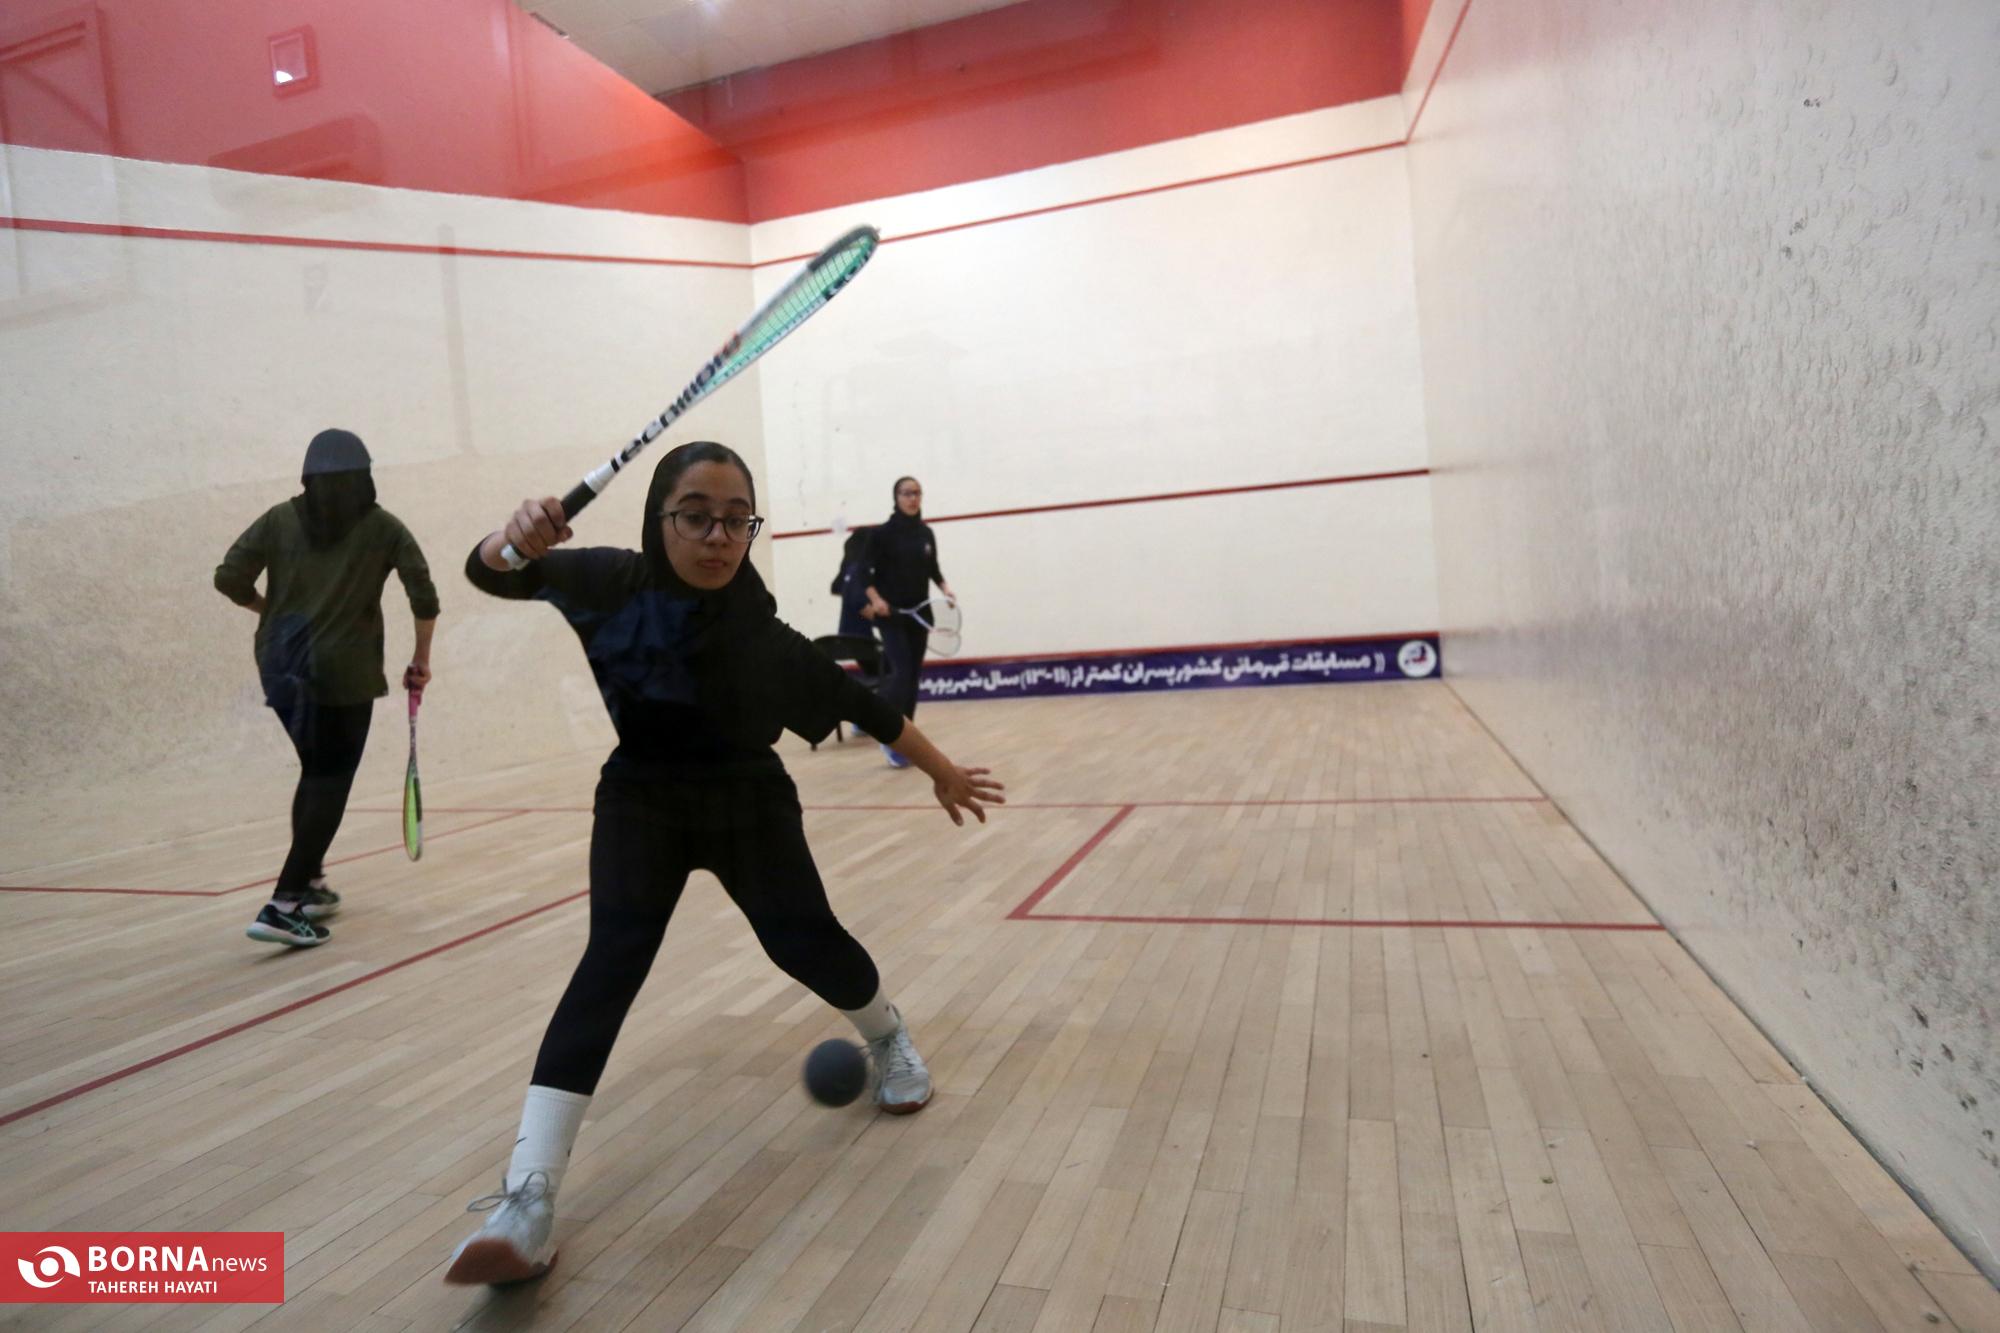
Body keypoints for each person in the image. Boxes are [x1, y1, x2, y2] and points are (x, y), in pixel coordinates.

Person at [444, 441, 1003, 1287]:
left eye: (737, 520)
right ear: (660, 517)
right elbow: (491, 573)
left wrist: (945, 771)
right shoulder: (608, 581)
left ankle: (889, 1036)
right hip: (641, 798)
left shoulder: (765, 637)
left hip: (747, 799)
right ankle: (527, 1199)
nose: (717, 536)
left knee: (804, 942)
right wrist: (513, 536)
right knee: (609, 964)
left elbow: (865, 706)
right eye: (696, 516)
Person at [214, 428, 437, 948]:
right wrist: (421, 659)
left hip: (279, 662)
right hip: (344, 671)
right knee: (330, 780)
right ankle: (284, 903)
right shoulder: (384, 527)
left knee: (317, 771)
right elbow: (424, 595)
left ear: (307, 477)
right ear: (366, 477)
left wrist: (267, 610)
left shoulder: (278, 519)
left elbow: (228, 577)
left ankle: (310, 883)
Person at [862, 476, 953, 768]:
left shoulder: (926, 534)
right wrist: (876, 599)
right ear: (896, 497)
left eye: (917, 493)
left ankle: (906, 738)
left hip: (919, 615)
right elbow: (864, 573)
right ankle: (888, 735)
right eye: (906, 493)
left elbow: (933, 569)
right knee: (901, 673)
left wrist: (945, 589)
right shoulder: (881, 534)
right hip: (891, 616)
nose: (913, 498)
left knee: (912, 678)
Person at [831, 526, 877, 639]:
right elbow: (860, 605)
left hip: (852, 637)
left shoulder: (850, 571)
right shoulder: (857, 572)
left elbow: (837, 589)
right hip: (857, 640)